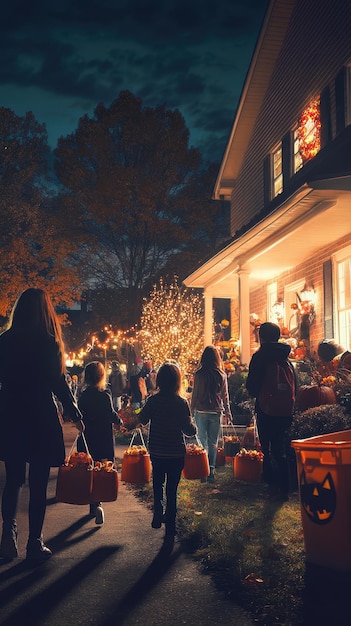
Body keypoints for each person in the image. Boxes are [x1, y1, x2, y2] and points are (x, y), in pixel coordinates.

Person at [0, 287, 84, 563]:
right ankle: (34, 542)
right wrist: (72, 408)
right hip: (39, 413)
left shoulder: (5, 340)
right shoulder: (48, 342)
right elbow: (57, 381)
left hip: (11, 412)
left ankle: (7, 536)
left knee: (13, 479)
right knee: (38, 482)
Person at [139, 362, 196, 541]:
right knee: (172, 488)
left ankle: (158, 509)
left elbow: (142, 418)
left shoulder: (153, 401)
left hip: (157, 450)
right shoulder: (181, 403)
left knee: (158, 483)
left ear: (159, 381)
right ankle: (170, 525)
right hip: (175, 452)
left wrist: (137, 412)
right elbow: (187, 429)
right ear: (177, 381)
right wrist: (194, 428)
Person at [246, 322, 295, 502]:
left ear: (262, 336)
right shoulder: (285, 356)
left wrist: (254, 393)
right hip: (285, 410)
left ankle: (270, 485)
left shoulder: (260, 357)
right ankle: (285, 487)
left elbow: (252, 384)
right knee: (280, 447)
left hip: (266, 407)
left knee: (266, 447)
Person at [78, 361, 124, 525]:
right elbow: (109, 413)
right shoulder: (104, 394)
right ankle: (98, 501)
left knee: (90, 467)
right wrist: (119, 420)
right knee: (101, 468)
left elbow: (81, 413)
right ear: (102, 376)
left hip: (88, 437)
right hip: (103, 437)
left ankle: (93, 502)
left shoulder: (83, 395)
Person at [190, 345, 233, 483]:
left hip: (201, 410)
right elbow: (225, 396)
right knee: (213, 442)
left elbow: (194, 394)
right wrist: (228, 412)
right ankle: (211, 470)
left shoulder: (199, 374)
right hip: (216, 410)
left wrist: (190, 411)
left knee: (201, 441)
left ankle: (203, 470)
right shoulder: (221, 374)